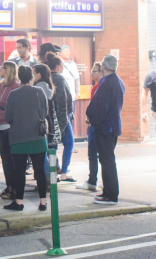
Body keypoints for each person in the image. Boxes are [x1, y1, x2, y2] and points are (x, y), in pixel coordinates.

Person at [2, 66, 49, 212]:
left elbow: (8, 116)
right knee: (40, 171)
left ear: (19, 78)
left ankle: (19, 202)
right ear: (31, 78)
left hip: (18, 138)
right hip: (37, 137)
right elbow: (45, 112)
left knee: (19, 172)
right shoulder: (39, 92)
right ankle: (42, 202)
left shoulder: (13, 94)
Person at [85, 54, 124, 205]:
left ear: (104, 67)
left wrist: (95, 121)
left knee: (107, 161)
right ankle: (107, 191)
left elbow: (101, 107)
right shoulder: (118, 81)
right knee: (107, 160)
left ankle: (111, 194)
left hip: (105, 128)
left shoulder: (107, 83)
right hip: (112, 126)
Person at [0, 61, 20, 199]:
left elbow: (11, 105)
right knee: (4, 159)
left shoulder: (16, 86)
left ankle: (14, 189)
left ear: (8, 70)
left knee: (11, 160)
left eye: (2, 68)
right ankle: (8, 186)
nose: (0, 70)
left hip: (9, 126)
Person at [46, 56, 75, 182]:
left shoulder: (45, 78)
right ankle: (64, 172)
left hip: (48, 119)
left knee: (52, 147)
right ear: (58, 66)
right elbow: (65, 100)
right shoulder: (60, 78)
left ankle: (52, 173)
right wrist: (66, 118)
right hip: (60, 117)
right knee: (69, 143)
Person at [76, 62, 102, 192]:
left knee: (93, 153)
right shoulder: (96, 87)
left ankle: (93, 180)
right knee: (100, 154)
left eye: (94, 71)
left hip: (96, 125)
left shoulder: (99, 88)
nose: (91, 73)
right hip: (97, 124)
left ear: (101, 72)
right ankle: (99, 180)